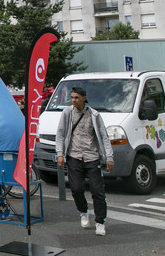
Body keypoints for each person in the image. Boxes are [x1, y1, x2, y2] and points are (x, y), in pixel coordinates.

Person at [56, 86, 114, 237]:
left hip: (92, 157)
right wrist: (60, 154)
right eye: (72, 98)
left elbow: (104, 136)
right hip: (74, 156)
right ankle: (83, 211)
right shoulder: (67, 113)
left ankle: (100, 222)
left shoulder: (94, 115)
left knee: (98, 191)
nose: (73, 101)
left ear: (84, 98)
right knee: (76, 189)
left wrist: (109, 157)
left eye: (76, 98)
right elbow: (60, 134)